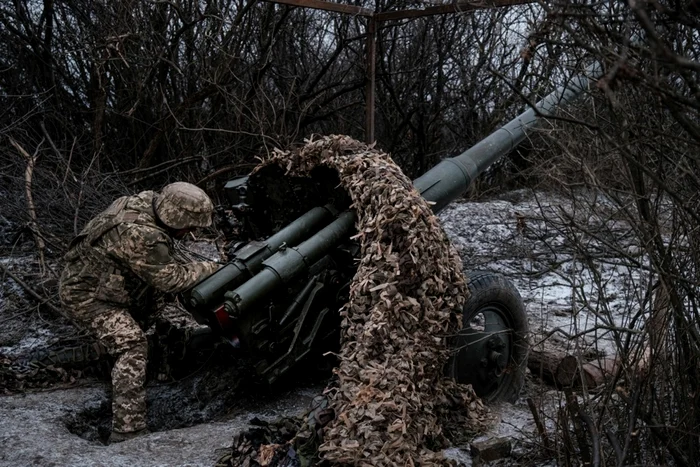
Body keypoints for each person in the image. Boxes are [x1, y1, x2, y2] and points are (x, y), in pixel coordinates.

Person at [59, 182, 221, 444]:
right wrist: (211, 268)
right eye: (189, 227)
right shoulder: (140, 233)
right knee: (132, 344)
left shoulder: (147, 203)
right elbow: (172, 279)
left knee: (156, 314)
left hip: (113, 285)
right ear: (175, 217)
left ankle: (134, 363)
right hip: (88, 296)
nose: (190, 233)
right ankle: (128, 430)